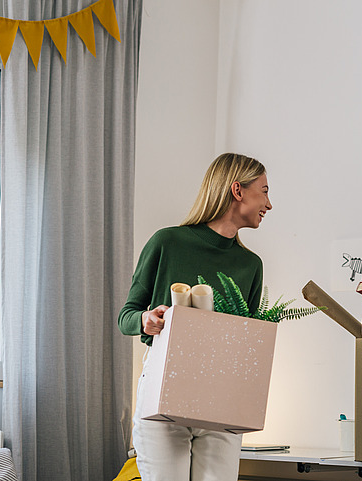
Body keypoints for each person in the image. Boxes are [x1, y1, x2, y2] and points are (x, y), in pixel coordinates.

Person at [118, 153, 272, 481]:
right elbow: (126, 316)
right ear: (238, 190)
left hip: (223, 392)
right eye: (265, 190)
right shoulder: (167, 243)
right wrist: (147, 319)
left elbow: (248, 338)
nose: (269, 204)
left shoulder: (251, 265)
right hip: (164, 383)